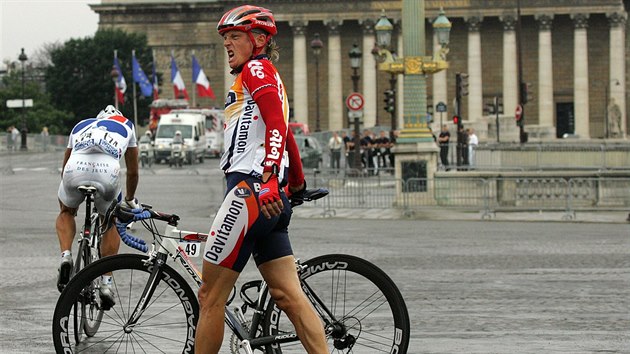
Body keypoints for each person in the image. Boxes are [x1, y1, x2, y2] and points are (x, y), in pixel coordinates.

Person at [195, 5, 328, 353]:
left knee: (210, 296)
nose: (227, 43)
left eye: (234, 36)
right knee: (289, 296)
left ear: (258, 40)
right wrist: (294, 183)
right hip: (269, 202)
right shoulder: (265, 75)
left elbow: (275, 124)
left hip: (251, 193)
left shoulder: (255, 69)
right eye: (225, 38)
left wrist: (268, 178)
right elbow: (283, 132)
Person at [55, 105, 139, 299]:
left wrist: (69, 198)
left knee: (66, 212)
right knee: (110, 221)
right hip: (107, 171)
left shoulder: (81, 125)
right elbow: (133, 172)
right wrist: (129, 199)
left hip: (75, 168)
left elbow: (65, 164)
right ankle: (106, 283)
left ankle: (66, 255)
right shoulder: (127, 125)